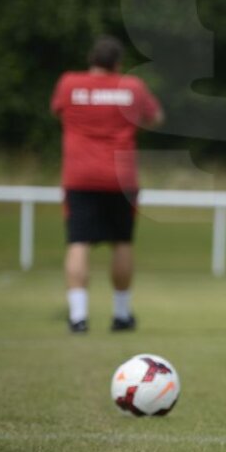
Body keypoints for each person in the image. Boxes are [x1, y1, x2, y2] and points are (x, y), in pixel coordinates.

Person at [50, 36, 163, 334]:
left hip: (80, 175)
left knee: (78, 242)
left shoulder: (69, 83)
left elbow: (57, 111)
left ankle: (78, 317)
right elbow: (155, 118)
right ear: (118, 63)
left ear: (91, 59)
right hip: (120, 177)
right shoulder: (132, 87)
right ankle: (121, 314)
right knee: (122, 242)